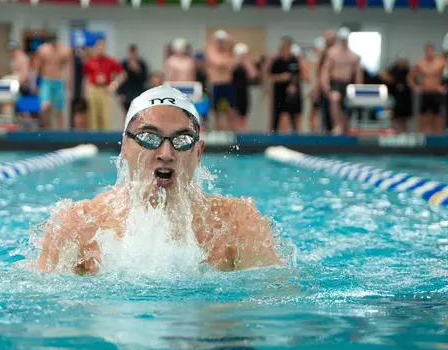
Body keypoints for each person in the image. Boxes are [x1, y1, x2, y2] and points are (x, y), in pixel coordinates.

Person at [35, 86, 280, 275]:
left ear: (199, 152)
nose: (165, 153)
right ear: (125, 147)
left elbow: (271, 302)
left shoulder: (237, 224)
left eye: (182, 140)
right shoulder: (78, 226)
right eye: (148, 137)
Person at [321, 27, 363, 135]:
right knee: (335, 99)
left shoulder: (354, 56)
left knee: (347, 106)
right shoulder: (332, 53)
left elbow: (358, 74)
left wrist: (358, 89)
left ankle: (343, 126)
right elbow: (325, 70)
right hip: (335, 82)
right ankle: (337, 125)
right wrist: (326, 86)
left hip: (347, 84)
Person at [83, 37, 126, 131]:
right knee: (93, 116)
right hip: (93, 89)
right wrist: (86, 93)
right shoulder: (90, 61)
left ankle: (105, 140)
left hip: (104, 89)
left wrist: (113, 85)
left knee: (105, 116)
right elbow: (87, 78)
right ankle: (93, 139)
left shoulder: (110, 61)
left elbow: (122, 74)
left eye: (103, 45)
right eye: (99, 45)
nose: (101, 48)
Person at [269, 37, 308, 133]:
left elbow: (304, 76)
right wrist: (281, 77)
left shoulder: (296, 60)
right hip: (280, 92)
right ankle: (279, 136)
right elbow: (270, 76)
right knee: (281, 116)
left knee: (295, 116)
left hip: (293, 93)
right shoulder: (276, 61)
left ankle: (296, 136)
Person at [37, 32, 73, 129]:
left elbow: (69, 69)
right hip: (46, 81)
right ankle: (46, 127)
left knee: (59, 109)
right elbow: (38, 66)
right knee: (45, 106)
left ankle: (61, 132)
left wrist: (69, 87)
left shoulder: (65, 51)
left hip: (59, 81)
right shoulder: (42, 50)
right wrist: (36, 84)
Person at [408, 43, 447, 134]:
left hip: (437, 92)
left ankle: (438, 139)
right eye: (428, 51)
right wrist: (416, 87)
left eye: (431, 51)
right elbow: (410, 78)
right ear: (425, 52)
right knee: (423, 118)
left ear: (434, 51)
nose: (430, 53)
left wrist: (444, 87)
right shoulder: (420, 63)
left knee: (438, 117)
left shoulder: (441, 62)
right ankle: (422, 138)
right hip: (425, 92)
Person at [206, 30, 239, 131]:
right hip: (216, 85)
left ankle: (233, 132)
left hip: (227, 84)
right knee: (217, 112)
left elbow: (234, 63)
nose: (220, 43)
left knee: (231, 111)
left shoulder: (229, 52)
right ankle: (218, 131)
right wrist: (226, 62)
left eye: (222, 41)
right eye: (218, 41)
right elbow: (218, 63)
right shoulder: (211, 51)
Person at [381, 57, 412, 133]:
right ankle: (395, 131)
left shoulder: (408, 71)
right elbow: (383, 75)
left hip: (405, 98)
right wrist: (392, 80)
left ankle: (404, 132)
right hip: (395, 97)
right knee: (394, 117)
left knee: (403, 118)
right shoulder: (393, 70)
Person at [231, 43, 258, 131]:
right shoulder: (232, 63)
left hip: (244, 92)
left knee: (244, 116)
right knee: (233, 116)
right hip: (233, 91)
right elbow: (227, 75)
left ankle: (243, 135)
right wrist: (236, 60)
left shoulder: (247, 64)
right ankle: (235, 134)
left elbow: (253, 75)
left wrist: (246, 62)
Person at [119, 44, 149, 113]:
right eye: (131, 53)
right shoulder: (123, 64)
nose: (132, 55)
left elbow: (144, 79)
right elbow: (120, 80)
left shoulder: (142, 64)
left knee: (138, 114)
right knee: (126, 114)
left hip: (138, 93)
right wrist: (120, 93)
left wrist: (137, 70)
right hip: (126, 94)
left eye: (134, 53)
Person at [308, 37, 326, 133]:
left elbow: (320, 79)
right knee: (313, 115)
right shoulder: (317, 61)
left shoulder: (324, 63)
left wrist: (315, 90)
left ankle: (316, 134)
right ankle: (314, 133)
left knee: (316, 115)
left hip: (320, 91)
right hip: (318, 90)